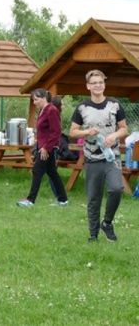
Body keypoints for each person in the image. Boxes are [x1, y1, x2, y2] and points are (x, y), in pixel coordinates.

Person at [69, 69, 127, 242]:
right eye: (94, 83)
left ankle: (107, 223)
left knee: (116, 189)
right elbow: (72, 132)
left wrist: (114, 136)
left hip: (112, 157)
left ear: (104, 84)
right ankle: (93, 235)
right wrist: (87, 131)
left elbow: (124, 128)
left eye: (100, 82)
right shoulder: (82, 107)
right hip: (92, 159)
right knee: (94, 199)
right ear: (88, 86)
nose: (97, 85)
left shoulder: (115, 105)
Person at [17, 89, 68, 208]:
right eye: (33, 100)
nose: (34, 102)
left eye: (36, 99)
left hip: (47, 148)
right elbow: (44, 130)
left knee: (37, 170)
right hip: (42, 146)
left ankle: (30, 200)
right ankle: (63, 200)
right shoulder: (43, 110)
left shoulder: (51, 110)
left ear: (44, 97)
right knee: (52, 172)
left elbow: (56, 131)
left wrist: (46, 147)